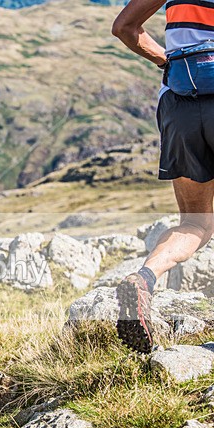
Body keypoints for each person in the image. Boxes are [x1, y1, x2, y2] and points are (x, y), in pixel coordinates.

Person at [112, 1, 214, 353]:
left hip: (180, 103)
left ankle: (144, 278)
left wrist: (167, 61)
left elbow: (124, 27)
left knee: (195, 224)